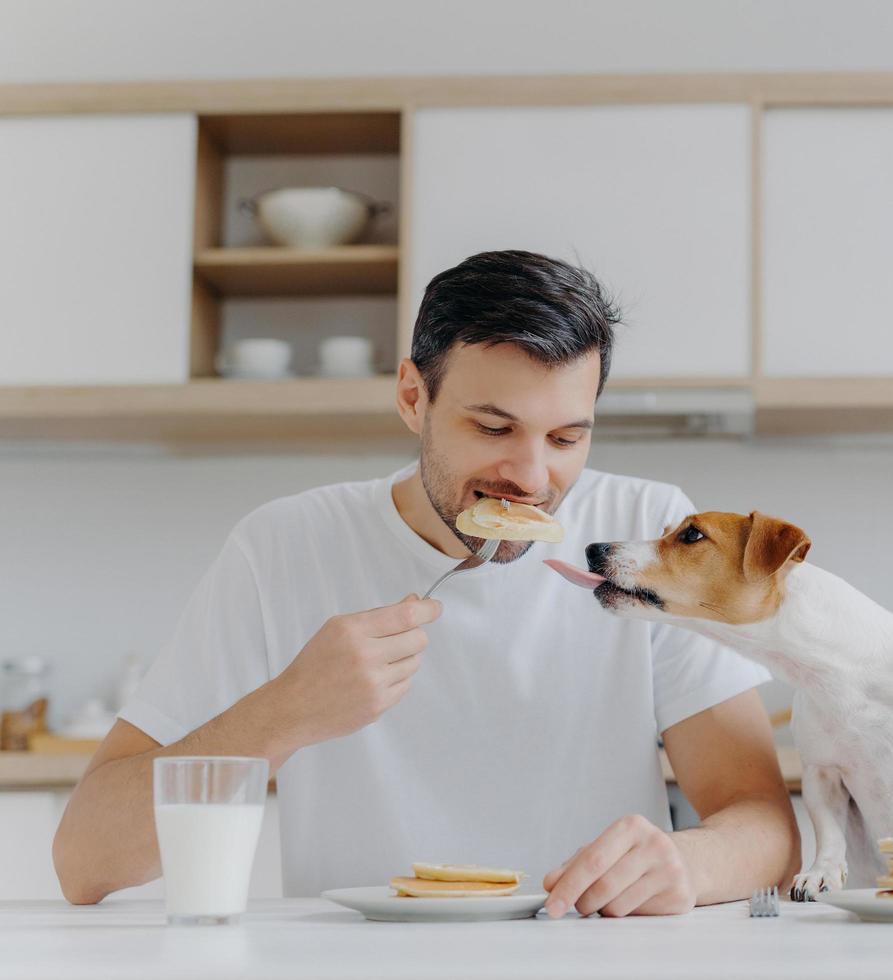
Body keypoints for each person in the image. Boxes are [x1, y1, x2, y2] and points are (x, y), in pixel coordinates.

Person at [53, 250, 800, 918]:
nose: (533, 479)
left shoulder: (648, 532)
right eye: (493, 428)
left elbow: (764, 827)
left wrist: (687, 865)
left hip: (586, 954)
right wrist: (286, 712)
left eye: (567, 438)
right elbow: (85, 862)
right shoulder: (284, 547)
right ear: (413, 397)